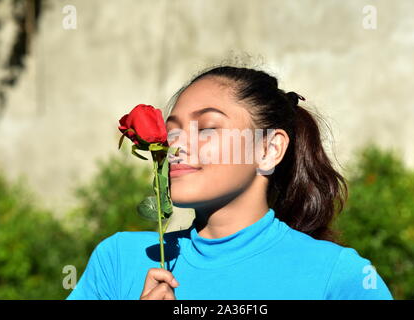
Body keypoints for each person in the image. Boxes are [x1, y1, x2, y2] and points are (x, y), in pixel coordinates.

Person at [66, 65, 393, 300]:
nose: (176, 145)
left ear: (269, 148)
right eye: (173, 130)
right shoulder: (121, 260)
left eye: (206, 128)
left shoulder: (338, 276)